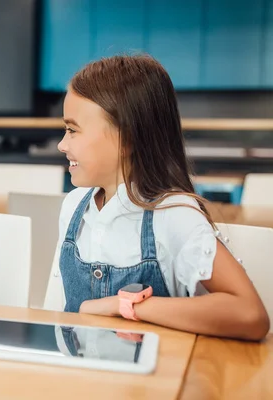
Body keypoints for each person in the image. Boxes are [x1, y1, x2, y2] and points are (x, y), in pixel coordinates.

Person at [51, 54, 269, 341]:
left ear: (126, 139)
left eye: (72, 130)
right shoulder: (74, 206)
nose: (61, 144)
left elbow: (250, 315)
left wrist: (129, 306)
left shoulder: (174, 216)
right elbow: (63, 316)